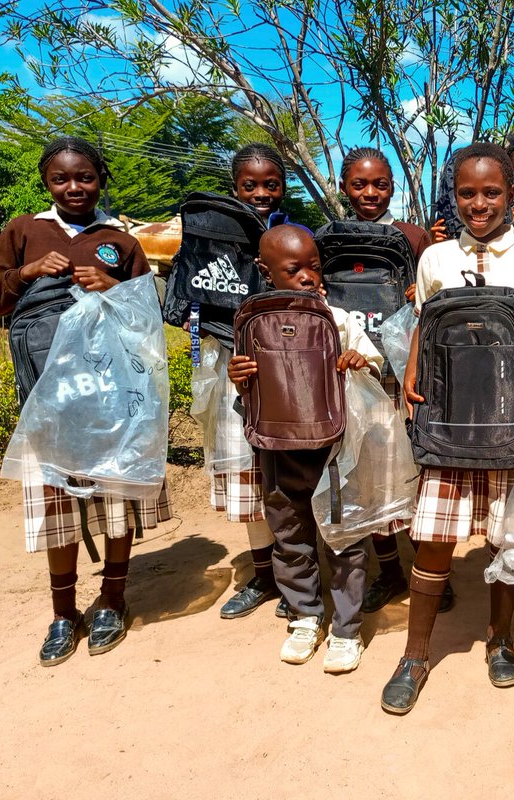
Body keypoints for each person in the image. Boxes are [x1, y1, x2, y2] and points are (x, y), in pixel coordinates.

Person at [380, 142, 514, 714]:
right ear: (455, 196)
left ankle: (500, 639)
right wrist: (413, 371)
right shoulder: (435, 258)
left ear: (512, 194)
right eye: (468, 193)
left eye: (492, 192)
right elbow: (425, 327)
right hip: (449, 420)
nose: (480, 203)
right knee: (433, 536)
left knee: (507, 538)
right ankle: (416, 654)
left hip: (511, 424)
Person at [0, 136, 172, 665]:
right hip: (50, 397)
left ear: (100, 179)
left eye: (84, 177)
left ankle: (111, 599)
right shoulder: (24, 230)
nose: (73, 187)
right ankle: (63, 612)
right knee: (56, 504)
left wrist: (113, 285)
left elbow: (149, 320)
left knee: (115, 500)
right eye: (61, 178)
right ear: (46, 183)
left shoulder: (119, 240)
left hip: (111, 400)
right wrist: (25, 273)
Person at [227, 225, 385, 669]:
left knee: (345, 537)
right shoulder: (252, 322)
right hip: (277, 447)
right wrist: (237, 373)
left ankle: (346, 628)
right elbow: (245, 388)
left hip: (335, 451)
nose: (307, 277)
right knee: (289, 536)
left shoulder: (339, 320)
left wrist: (361, 361)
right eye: (293, 269)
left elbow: (373, 364)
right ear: (266, 271)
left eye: (314, 267)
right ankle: (304, 616)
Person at [337, 145, 458, 618]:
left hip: (407, 371)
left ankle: (430, 574)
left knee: (417, 472)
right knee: (370, 472)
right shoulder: (333, 237)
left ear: (393, 186)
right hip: (356, 373)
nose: (370, 192)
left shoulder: (414, 236)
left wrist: (419, 291)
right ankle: (388, 571)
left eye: (380, 184)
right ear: (344, 187)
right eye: (360, 184)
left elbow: (439, 292)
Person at [213, 144, 305, 621]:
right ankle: (264, 576)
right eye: (250, 185)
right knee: (249, 477)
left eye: (272, 184)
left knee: (290, 475)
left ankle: (300, 578)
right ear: (235, 187)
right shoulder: (216, 234)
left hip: (295, 370)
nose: (262, 193)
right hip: (236, 363)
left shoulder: (297, 233)